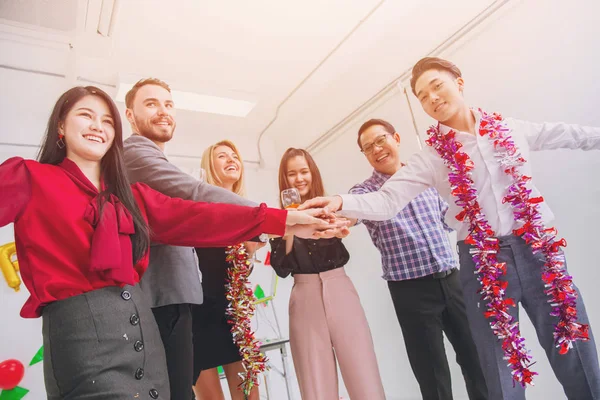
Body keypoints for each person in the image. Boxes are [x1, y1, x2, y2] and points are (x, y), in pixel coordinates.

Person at [0, 85, 333, 400]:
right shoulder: (28, 177)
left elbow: (199, 215)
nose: (98, 126)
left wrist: (285, 220)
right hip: (80, 343)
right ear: (61, 125)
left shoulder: (131, 198)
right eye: (86, 115)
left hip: (145, 334)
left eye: (106, 121)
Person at [300, 57, 600, 400]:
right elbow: (385, 201)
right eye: (422, 96)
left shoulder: (511, 129)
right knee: (499, 371)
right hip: (483, 263)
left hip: (538, 251)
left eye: (436, 86)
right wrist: (339, 201)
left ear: (458, 82)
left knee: (574, 348)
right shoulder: (431, 158)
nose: (432, 99)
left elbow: (567, 134)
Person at [122, 78, 308, 399]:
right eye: (151, 104)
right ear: (129, 114)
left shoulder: (238, 215)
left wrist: (262, 232)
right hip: (190, 309)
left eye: (168, 104)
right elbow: (196, 196)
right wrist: (278, 218)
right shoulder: (146, 160)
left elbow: (258, 267)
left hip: (224, 313)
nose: (163, 111)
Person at [349, 118, 487, 400]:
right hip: (411, 292)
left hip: (452, 281)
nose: (377, 149)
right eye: (368, 147)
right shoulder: (364, 193)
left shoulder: (427, 176)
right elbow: (351, 211)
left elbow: (449, 221)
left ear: (396, 139)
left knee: (478, 361)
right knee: (432, 376)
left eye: (380, 140)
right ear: (365, 156)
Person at [269, 148, 386, 400]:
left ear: (312, 173)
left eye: (304, 171)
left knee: (362, 370)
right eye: (292, 174)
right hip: (304, 295)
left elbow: (350, 225)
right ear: (284, 180)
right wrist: (289, 225)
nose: (299, 178)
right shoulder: (278, 220)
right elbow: (281, 268)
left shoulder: (330, 208)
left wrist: (337, 224)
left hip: (340, 287)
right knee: (315, 383)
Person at [192, 140, 260, 400]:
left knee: (249, 396)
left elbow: (238, 273)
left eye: (235, 156)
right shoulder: (198, 208)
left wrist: (249, 253)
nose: (232, 160)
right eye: (222, 156)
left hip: (235, 317)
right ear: (210, 165)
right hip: (199, 316)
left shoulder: (248, 212)